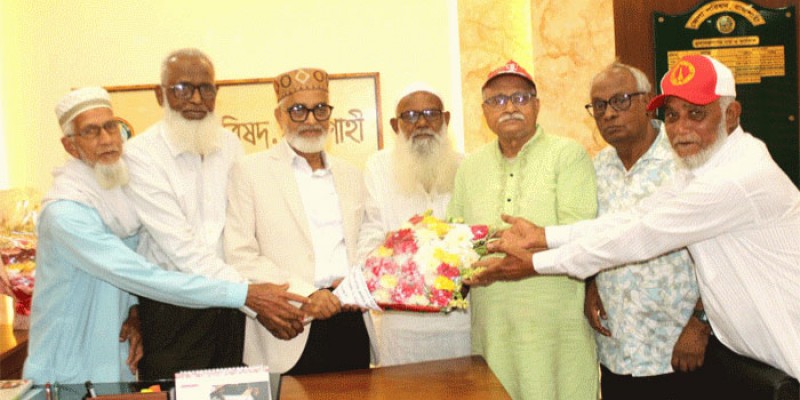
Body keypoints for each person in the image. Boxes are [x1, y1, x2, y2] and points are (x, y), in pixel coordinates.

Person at [474, 54, 800, 383]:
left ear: (730, 115)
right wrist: (544, 236)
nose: (680, 128)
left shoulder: (736, 178)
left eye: (696, 114)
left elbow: (641, 236)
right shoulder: (700, 167)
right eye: (671, 115)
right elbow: (633, 218)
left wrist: (536, 263)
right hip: (756, 359)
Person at [24, 87, 308, 384]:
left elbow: (132, 263)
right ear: (70, 146)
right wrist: (244, 293)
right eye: (91, 132)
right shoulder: (66, 215)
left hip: (115, 358)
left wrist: (134, 311)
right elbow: (139, 274)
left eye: (110, 127)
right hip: (67, 370)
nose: (106, 139)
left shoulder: (117, 195)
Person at [446, 60, 599, 399]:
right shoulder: (470, 167)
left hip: (556, 325)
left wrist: (523, 257)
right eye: (498, 100)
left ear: (537, 105)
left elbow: (582, 234)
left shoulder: (568, 155)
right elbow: (457, 239)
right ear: (484, 112)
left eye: (520, 98)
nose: (510, 107)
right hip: (493, 325)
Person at [123, 48, 272, 379]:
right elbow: (181, 246)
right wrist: (250, 294)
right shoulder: (140, 154)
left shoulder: (230, 145)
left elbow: (243, 226)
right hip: (174, 310)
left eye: (206, 89)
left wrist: (250, 290)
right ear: (160, 94)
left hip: (230, 309)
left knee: (235, 392)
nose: (195, 99)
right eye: (181, 89)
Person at [224, 67, 371, 375]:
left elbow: (366, 240)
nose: (311, 120)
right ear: (279, 117)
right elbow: (240, 254)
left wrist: (356, 282)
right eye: (298, 110)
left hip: (350, 318)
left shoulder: (350, 173)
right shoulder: (250, 172)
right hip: (288, 324)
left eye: (320, 109)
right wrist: (307, 294)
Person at [584, 62, 707, 400]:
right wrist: (592, 283)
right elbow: (595, 237)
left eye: (621, 100)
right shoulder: (596, 168)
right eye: (599, 105)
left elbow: (721, 252)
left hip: (679, 349)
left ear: (647, 102)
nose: (609, 113)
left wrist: (700, 323)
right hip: (617, 351)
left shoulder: (685, 158)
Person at [356, 83, 469, 367]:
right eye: (409, 116)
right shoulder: (379, 168)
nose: (421, 123)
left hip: (461, 321)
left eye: (431, 113)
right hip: (402, 324)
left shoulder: (467, 166)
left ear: (446, 119)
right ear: (395, 125)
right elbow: (369, 239)